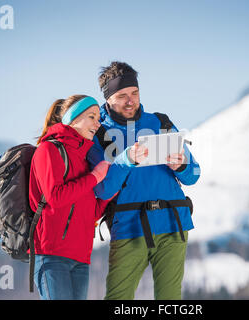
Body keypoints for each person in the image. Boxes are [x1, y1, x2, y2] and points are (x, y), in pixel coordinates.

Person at [87, 61, 201, 300]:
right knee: (118, 299)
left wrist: (181, 165)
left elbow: (194, 174)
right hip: (129, 226)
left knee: (170, 300)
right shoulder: (98, 133)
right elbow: (103, 189)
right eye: (122, 95)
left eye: (135, 93)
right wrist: (126, 159)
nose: (131, 101)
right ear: (107, 98)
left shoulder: (161, 123)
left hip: (173, 224)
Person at [29, 95, 113, 300]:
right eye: (91, 117)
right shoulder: (48, 149)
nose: (97, 123)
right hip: (51, 254)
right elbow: (55, 197)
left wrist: (111, 190)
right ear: (72, 119)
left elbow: (89, 212)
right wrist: (94, 177)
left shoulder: (84, 159)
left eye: (98, 118)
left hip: (81, 257)